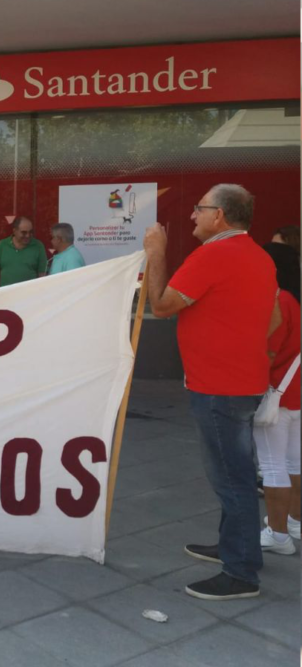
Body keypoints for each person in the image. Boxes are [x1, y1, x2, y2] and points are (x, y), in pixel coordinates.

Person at [144, 183, 277, 601]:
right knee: (235, 472)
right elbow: (272, 319)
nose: (192, 216)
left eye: (199, 209)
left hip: (220, 386)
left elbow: (162, 306)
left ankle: (240, 574)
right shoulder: (258, 256)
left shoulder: (213, 255)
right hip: (244, 381)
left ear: (219, 215)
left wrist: (156, 253)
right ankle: (238, 550)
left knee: (231, 479)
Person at [254, 242, 301, 555]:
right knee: (294, 463)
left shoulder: (277, 301)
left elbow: (267, 353)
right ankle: (294, 521)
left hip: (276, 396)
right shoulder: (293, 300)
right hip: (296, 392)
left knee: (273, 467)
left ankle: (279, 534)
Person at [0, 216, 47, 288]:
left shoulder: (38, 246)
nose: (28, 235)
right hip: (6, 294)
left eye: (30, 232)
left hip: (29, 294)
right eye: (24, 232)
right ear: (14, 231)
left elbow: (42, 273)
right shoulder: (2, 245)